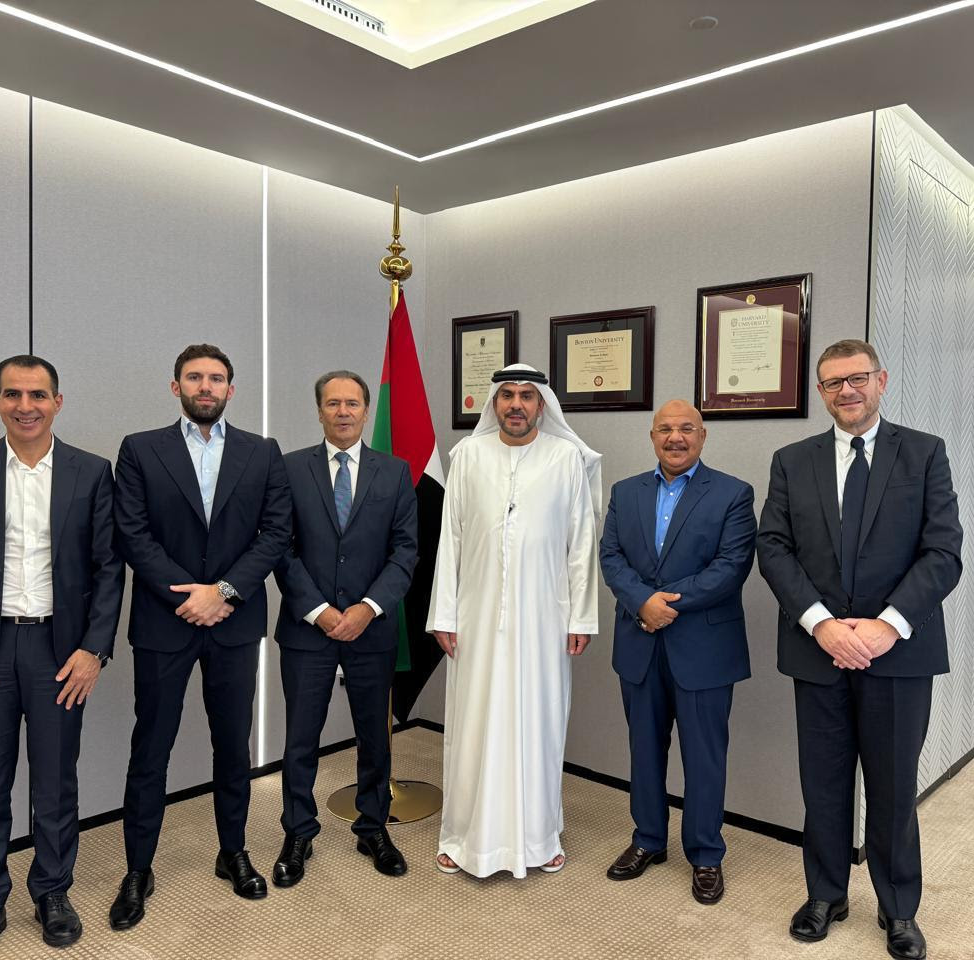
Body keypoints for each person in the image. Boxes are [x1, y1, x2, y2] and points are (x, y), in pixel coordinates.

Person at [757, 339, 962, 960]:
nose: (846, 391)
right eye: (832, 383)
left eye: (857, 378)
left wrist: (886, 626)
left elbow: (943, 552)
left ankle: (898, 908)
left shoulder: (924, 453)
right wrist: (821, 624)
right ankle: (826, 894)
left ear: (881, 381)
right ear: (821, 392)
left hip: (897, 653)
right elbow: (773, 547)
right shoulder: (792, 460)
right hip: (817, 650)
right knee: (822, 783)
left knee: (893, 787)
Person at [0, 356, 124, 960]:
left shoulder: (92, 471)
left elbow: (108, 569)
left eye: (38, 394)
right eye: (12, 394)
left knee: (56, 781)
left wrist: (94, 650)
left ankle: (52, 892)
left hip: (60, 653)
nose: (25, 405)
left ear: (58, 402)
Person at [108, 344, 291, 930]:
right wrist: (190, 597)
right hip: (165, 622)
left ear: (231, 389)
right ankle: (138, 869)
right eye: (195, 377)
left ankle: (232, 851)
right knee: (151, 748)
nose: (205, 386)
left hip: (234, 623)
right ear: (176, 387)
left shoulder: (262, 452)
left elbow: (275, 532)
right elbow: (132, 533)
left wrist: (225, 593)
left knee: (233, 744)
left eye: (216, 378)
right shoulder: (140, 450)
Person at [426, 363, 600, 878]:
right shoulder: (468, 455)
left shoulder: (566, 457)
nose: (516, 404)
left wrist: (582, 617)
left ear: (542, 404)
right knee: (473, 723)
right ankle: (463, 838)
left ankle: (540, 838)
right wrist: (444, 613)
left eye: (527, 395)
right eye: (507, 395)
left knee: (539, 723)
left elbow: (581, 543)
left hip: (545, 618)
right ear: (494, 403)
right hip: (475, 618)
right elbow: (450, 541)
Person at [599, 400, 755, 905]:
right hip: (639, 642)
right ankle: (647, 839)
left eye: (686, 428)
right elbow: (611, 556)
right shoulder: (626, 492)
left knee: (704, 756)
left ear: (703, 436)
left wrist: (664, 604)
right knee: (644, 749)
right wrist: (641, 602)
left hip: (704, 648)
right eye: (665, 429)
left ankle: (706, 854)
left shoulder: (733, 493)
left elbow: (731, 566)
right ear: (652, 437)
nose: (675, 437)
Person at [272, 370, 418, 884]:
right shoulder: (289, 468)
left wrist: (367, 608)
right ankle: (298, 832)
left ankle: (373, 827)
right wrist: (319, 610)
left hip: (370, 629)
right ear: (319, 411)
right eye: (333, 403)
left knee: (374, 736)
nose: (343, 412)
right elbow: (280, 547)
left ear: (365, 410)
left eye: (352, 403)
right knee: (300, 738)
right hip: (307, 630)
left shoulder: (394, 472)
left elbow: (405, 551)